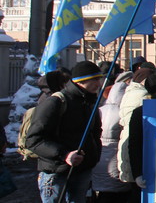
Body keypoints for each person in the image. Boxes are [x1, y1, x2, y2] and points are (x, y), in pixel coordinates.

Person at [25, 61, 103, 203]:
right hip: (56, 171)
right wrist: (64, 155)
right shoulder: (56, 102)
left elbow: (96, 132)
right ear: (82, 81)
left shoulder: (91, 102)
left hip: (82, 170)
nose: (99, 84)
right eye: (95, 80)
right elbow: (33, 140)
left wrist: (94, 156)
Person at [127, 73, 156, 197]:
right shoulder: (140, 113)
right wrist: (137, 173)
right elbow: (134, 144)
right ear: (155, 91)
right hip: (149, 166)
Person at [92, 72, 132, 202]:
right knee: (116, 194)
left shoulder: (100, 109)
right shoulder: (123, 112)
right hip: (116, 157)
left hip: (99, 158)